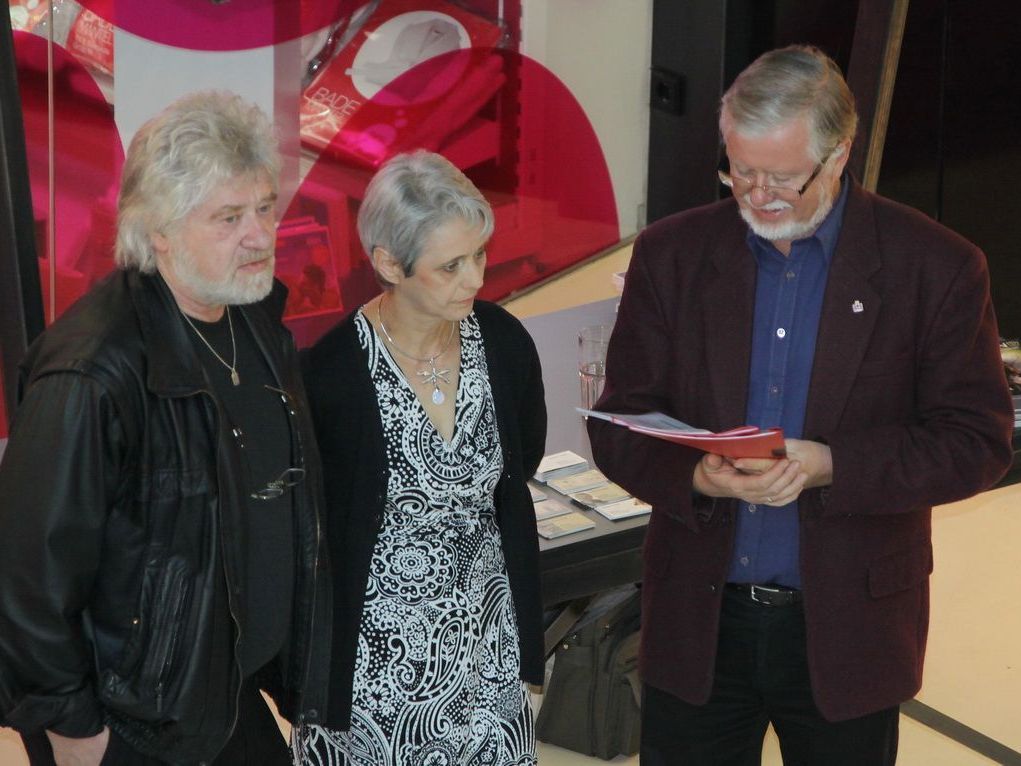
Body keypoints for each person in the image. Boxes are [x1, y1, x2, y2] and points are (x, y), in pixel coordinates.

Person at [587, 45, 1014, 765]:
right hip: (697, 622)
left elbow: (975, 441)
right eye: (739, 171)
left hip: (850, 629)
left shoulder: (935, 268)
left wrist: (832, 466)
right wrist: (694, 474)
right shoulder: (672, 256)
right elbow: (621, 421)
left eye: (782, 177)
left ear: (839, 153)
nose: (757, 196)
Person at [0, 91, 330, 765]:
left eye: (265, 207)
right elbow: (28, 581)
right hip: (135, 728)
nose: (260, 235)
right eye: (229, 217)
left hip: (225, 700)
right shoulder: (91, 374)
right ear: (158, 231)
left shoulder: (252, 318)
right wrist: (76, 736)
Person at [295, 150, 546, 765]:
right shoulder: (329, 377)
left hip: (491, 657)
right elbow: (313, 533)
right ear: (389, 264)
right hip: (372, 676)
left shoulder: (504, 343)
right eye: (451, 265)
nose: (475, 280)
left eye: (479, 256)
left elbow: (518, 474)